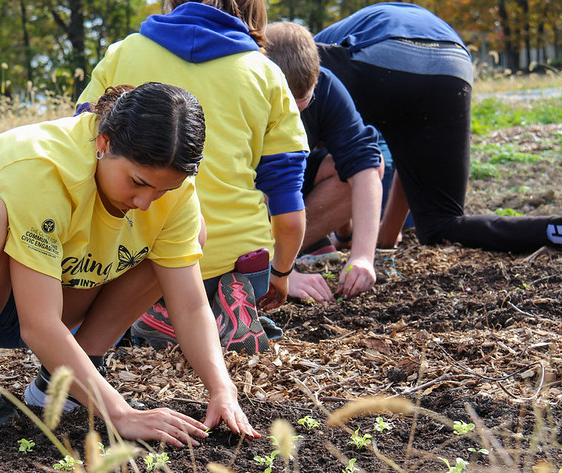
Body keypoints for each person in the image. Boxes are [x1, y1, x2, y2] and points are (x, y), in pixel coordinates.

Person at [0, 82, 260, 444]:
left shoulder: (173, 194)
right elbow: (38, 325)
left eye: (163, 190)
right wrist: (119, 413)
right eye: (137, 182)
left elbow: (188, 304)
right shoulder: (41, 165)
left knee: (190, 234)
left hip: (47, 296)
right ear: (103, 143)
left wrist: (222, 389)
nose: (145, 202)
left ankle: (72, 375)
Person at [76, 0, 310, 354]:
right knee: (236, 268)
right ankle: (230, 298)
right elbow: (288, 210)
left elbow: (82, 144)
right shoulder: (266, 74)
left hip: (135, 251)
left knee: (140, 258)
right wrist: (280, 274)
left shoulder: (122, 53)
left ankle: (157, 308)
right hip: (242, 257)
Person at [313, 2, 562, 253]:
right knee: (441, 225)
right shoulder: (385, 19)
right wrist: (387, 235)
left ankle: (304, 241)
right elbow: (412, 155)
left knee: (305, 140)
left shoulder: (305, 53)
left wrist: (344, 237)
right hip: (452, 62)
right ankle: (554, 231)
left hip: (377, 53)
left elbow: (336, 154)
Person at [265, 21, 383, 302]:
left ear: (316, 79)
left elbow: (363, 163)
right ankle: (266, 261)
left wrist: (363, 256)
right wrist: (278, 271)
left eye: (300, 101)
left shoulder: (327, 85)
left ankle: (296, 245)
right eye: (280, 103)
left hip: (293, 186)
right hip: (250, 195)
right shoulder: (241, 93)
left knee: (369, 165)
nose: (290, 114)